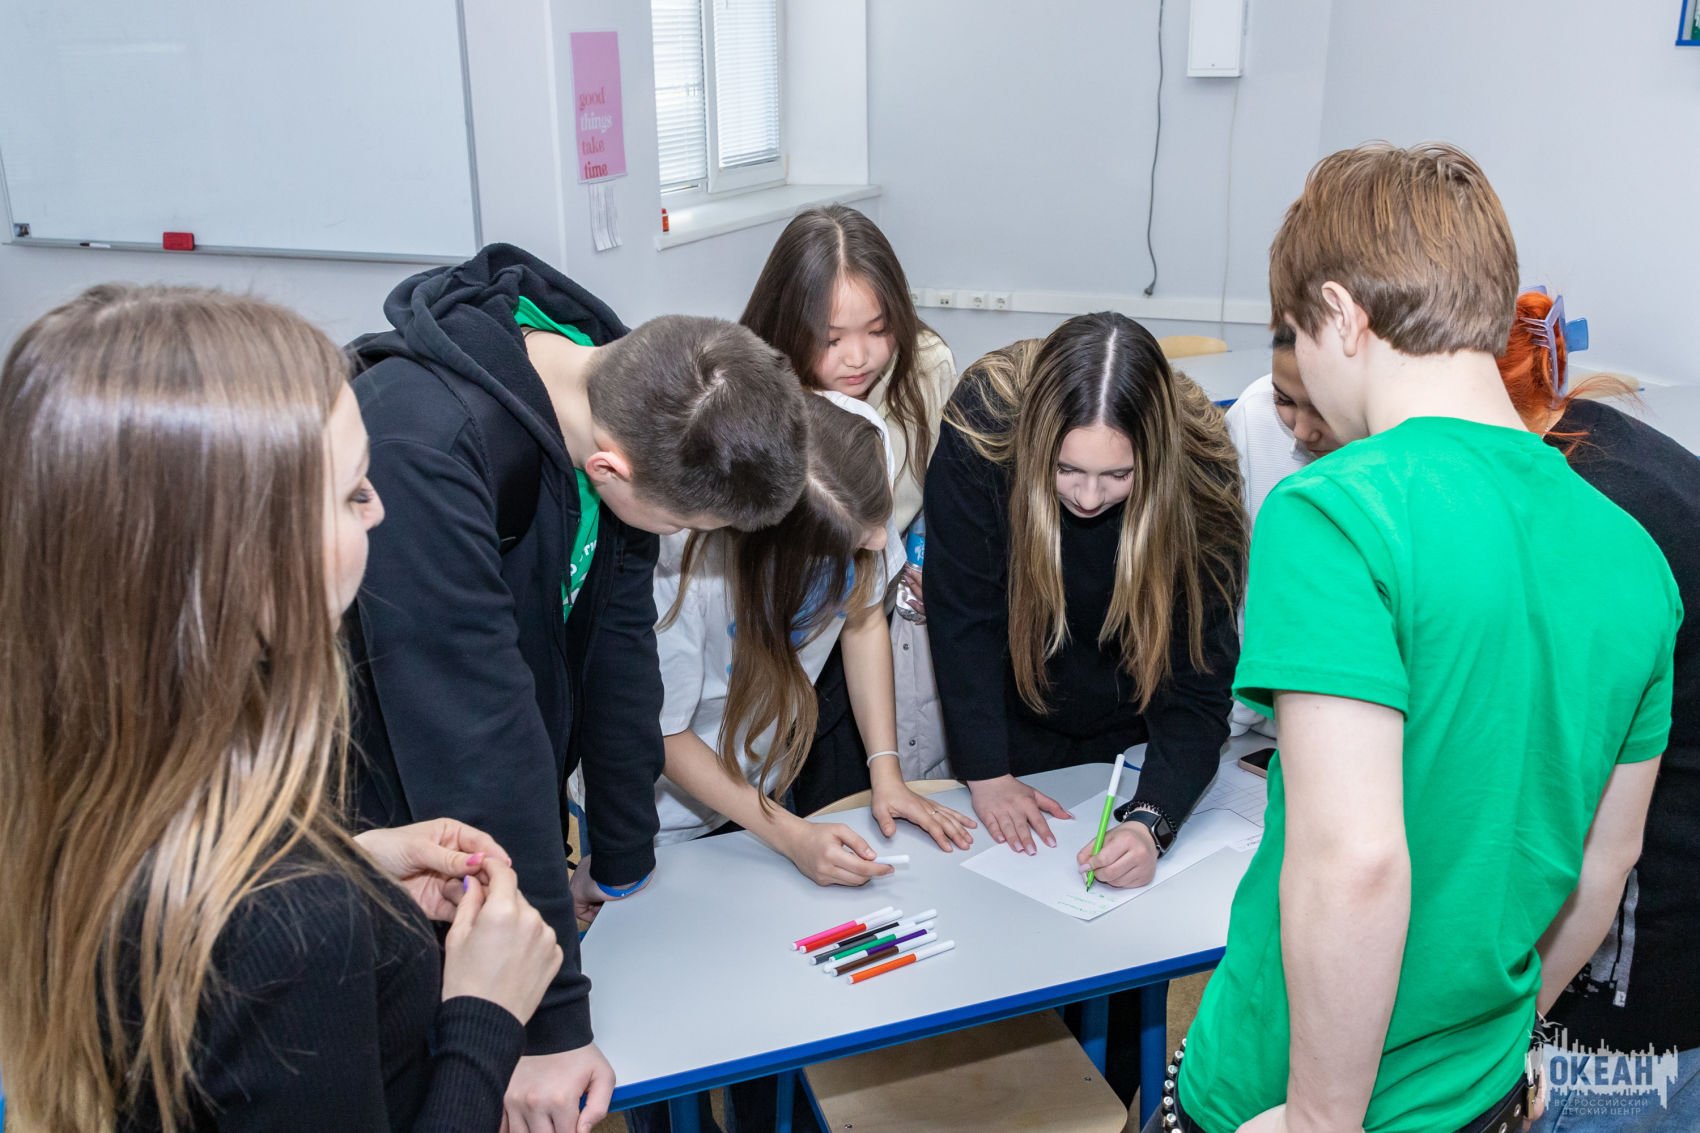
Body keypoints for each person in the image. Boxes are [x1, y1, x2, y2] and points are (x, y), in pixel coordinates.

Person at [1170, 144, 1680, 1133]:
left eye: (1296, 336)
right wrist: (1497, 1046)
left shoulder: (1335, 511)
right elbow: (1601, 867)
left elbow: (1355, 859)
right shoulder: (1634, 556)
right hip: (1479, 1094)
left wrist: (1320, 1117)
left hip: (1283, 1090)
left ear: (1340, 315)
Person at [0, 284, 562, 1131]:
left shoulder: (65, 782)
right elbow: (268, 936)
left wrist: (350, 865)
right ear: (244, 559)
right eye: (352, 492)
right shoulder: (294, 926)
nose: (379, 510)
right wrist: (485, 1015)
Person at [344, 244, 809, 1131]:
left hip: (492, 803)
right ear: (612, 472)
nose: (684, 537)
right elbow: (480, 737)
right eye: (684, 523)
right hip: (387, 816)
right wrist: (546, 1025)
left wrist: (622, 855)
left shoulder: (625, 389)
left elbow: (620, 650)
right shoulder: (424, 442)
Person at [924, 310, 1246, 1102]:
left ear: (1155, 459)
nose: (1091, 497)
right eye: (1068, 471)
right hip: (1014, 707)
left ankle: (1106, 1103)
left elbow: (1198, 680)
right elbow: (962, 618)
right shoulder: (982, 435)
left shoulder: (1200, 468)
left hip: (1127, 737)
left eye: (1118, 476)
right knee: (1007, 967)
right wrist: (986, 770)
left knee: (1117, 969)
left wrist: (1153, 818)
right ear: (1037, 443)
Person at [632, 392, 974, 1133]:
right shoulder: (680, 559)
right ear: (770, 544)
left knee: (770, 1001)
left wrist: (886, 769)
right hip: (655, 803)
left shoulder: (853, 459)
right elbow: (662, 735)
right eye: (847, 550)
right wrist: (787, 833)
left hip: (761, 777)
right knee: (666, 1024)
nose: (873, 550)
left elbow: (863, 621)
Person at [1491, 290, 1700, 1129]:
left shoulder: (1590, 519)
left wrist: (1500, 1031)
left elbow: (1585, 835)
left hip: (1631, 982)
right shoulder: (1600, 443)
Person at [741, 204, 962, 806]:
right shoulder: (752, 394)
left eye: (879, 329)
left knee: (849, 798)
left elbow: (940, 499)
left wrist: (931, 561)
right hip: (769, 641)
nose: (859, 358)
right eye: (831, 339)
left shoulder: (927, 367)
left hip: (867, 620)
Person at [1222, 325, 1343, 737]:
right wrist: (1238, 711)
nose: (1302, 431)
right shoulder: (1253, 416)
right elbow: (1237, 586)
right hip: (1258, 712)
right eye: (1284, 401)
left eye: (1323, 408)